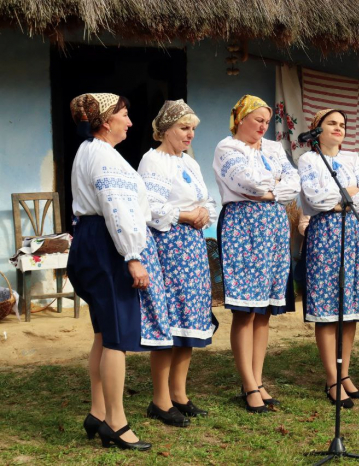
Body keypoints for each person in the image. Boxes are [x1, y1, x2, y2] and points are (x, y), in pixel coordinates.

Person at [67, 93, 166, 450]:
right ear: (107, 120)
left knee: (103, 333)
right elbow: (117, 209)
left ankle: (98, 412)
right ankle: (116, 423)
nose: (130, 122)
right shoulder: (104, 156)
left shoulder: (89, 151)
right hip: (108, 245)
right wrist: (132, 256)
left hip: (90, 240)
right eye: (125, 115)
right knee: (117, 339)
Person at [213, 95, 300, 413]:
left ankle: (258, 379)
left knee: (264, 310)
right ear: (241, 119)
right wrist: (273, 185)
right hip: (243, 228)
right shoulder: (228, 148)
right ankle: (248, 383)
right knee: (246, 309)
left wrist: (270, 191)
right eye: (257, 120)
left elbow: (295, 182)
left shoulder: (274, 149)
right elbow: (246, 183)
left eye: (266, 121)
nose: (263, 126)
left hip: (274, 229)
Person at [138, 100, 218, 425]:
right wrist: (186, 214)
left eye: (193, 129)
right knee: (168, 320)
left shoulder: (190, 163)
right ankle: (160, 400)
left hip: (192, 248)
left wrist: (204, 213)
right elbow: (150, 207)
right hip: (168, 247)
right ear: (166, 128)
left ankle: (179, 394)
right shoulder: (153, 160)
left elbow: (207, 200)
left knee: (189, 320)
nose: (190, 134)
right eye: (184, 128)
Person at [298, 109, 359, 409]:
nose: (338, 128)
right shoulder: (308, 160)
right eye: (331, 123)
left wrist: (340, 198)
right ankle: (332, 379)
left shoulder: (353, 159)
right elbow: (314, 198)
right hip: (326, 235)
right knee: (328, 308)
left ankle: (345, 374)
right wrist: (348, 195)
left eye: (342, 124)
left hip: (355, 234)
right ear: (317, 128)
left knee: (350, 308)